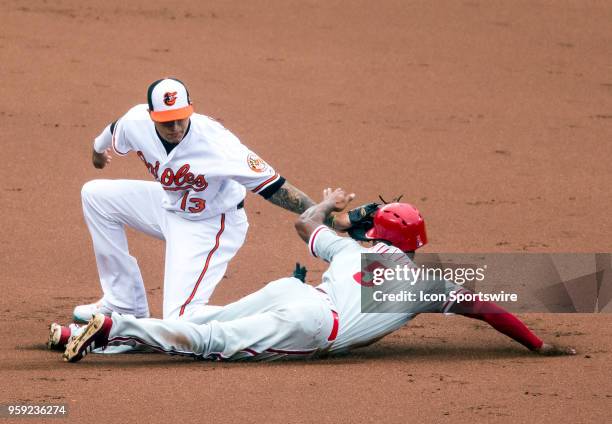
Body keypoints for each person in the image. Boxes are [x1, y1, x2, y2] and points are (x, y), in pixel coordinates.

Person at [58, 188, 576, 362]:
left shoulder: (349, 249)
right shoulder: (428, 284)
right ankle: (113, 330)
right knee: (208, 340)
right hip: (310, 325)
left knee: (198, 321)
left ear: (376, 231)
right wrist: (537, 345)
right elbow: (489, 309)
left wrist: (330, 202)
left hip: (294, 290)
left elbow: (306, 222)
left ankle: (89, 334)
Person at [74, 77, 316, 322]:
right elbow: (112, 130)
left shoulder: (218, 143)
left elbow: (275, 187)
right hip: (170, 206)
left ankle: (283, 312)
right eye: (167, 122)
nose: (176, 127)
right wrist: (97, 154)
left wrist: (322, 213)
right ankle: (123, 304)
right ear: (151, 115)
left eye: (182, 117)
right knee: (95, 196)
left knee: (179, 320)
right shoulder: (136, 122)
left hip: (211, 222)